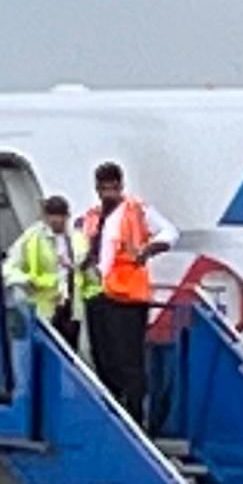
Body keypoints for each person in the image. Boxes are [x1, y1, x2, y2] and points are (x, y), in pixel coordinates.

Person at [79, 161, 175, 417]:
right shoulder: (92, 216)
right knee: (103, 356)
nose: (108, 193)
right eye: (103, 188)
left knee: (129, 359)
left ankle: (134, 413)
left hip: (128, 295)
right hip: (97, 293)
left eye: (113, 188)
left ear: (121, 186)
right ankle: (114, 406)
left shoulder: (136, 210)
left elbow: (169, 232)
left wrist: (149, 250)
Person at [8, 194, 85, 350]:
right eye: (52, 215)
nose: (55, 220)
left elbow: (82, 264)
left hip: (71, 311)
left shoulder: (76, 237)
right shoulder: (32, 237)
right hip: (44, 311)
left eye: (60, 215)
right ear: (45, 216)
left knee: (70, 354)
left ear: (67, 216)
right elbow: (9, 267)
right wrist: (25, 280)